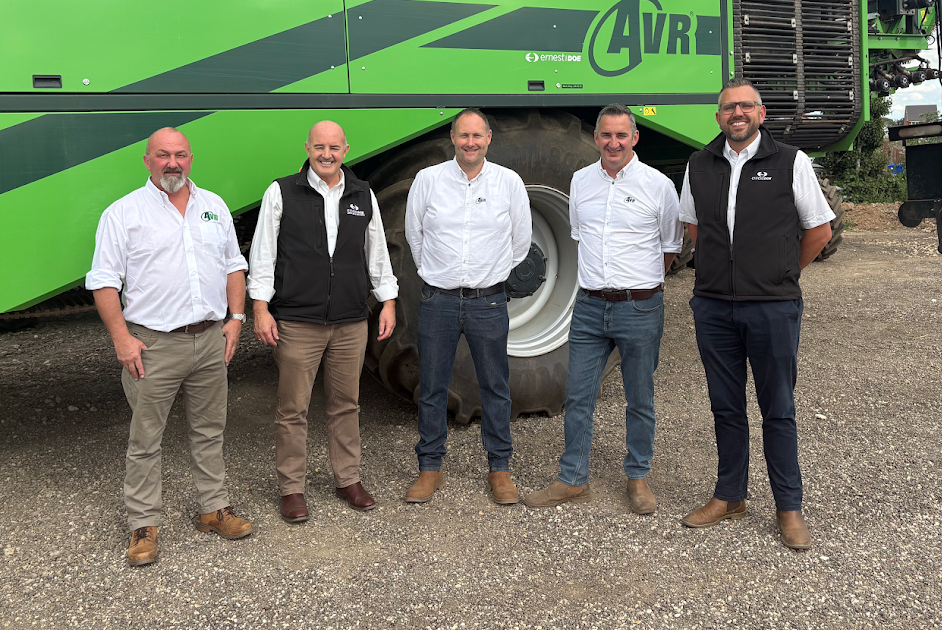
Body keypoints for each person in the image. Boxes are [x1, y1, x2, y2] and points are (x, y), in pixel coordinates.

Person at [678, 78, 833, 550]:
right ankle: (730, 495)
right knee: (725, 406)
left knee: (778, 409)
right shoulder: (699, 165)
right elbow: (693, 228)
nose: (737, 114)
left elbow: (820, 231)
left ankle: (789, 507)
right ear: (719, 115)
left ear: (761, 113)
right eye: (728, 107)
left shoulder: (790, 162)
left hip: (772, 307)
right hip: (713, 306)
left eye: (746, 106)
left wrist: (781, 275)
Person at [87, 127, 252, 568]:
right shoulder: (123, 213)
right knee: (145, 439)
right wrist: (123, 340)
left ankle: (213, 509)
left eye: (180, 154)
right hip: (153, 345)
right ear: (147, 160)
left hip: (210, 339)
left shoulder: (212, 206)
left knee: (209, 430)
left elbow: (234, 266)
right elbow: (103, 281)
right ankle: (143, 526)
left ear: (191, 158)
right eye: (163, 155)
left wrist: (236, 320)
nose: (172, 163)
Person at [523, 104, 683, 513]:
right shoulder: (580, 181)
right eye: (606, 135)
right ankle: (572, 478)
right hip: (590, 307)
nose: (614, 143)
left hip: (640, 308)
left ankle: (638, 477)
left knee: (640, 397)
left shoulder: (659, 185)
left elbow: (669, 248)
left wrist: (638, 287)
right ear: (596, 138)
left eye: (621, 135)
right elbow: (580, 235)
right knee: (578, 395)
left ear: (634, 138)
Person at [248, 121, 397, 524]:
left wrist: (388, 300)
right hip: (298, 321)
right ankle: (291, 488)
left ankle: (347, 478)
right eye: (319, 147)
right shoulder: (282, 192)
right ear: (307, 148)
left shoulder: (362, 193)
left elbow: (377, 250)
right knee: (292, 408)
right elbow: (262, 254)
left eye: (334, 147)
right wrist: (260, 308)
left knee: (346, 405)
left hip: (351, 321)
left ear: (346, 149)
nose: (326, 154)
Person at [404, 108, 531, 505]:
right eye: (463, 136)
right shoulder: (428, 180)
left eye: (477, 135)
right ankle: (430, 468)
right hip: (437, 299)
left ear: (489, 138)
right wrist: (437, 272)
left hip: (488, 301)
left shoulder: (508, 183)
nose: (470, 143)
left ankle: (500, 469)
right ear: (453, 138)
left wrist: (488, 274)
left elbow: (520, 242)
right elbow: (415, 234)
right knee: (432, 387)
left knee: (495, 386)